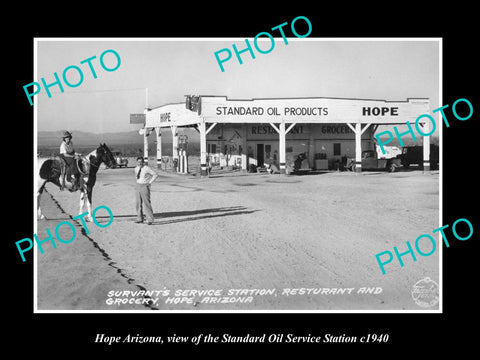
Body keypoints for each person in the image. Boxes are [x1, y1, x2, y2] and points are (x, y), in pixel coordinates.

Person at [134, 157, 158, 225]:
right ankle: (139, 218)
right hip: (138, 186)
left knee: (147, 203)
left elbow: (155, 175)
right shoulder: (136, 169)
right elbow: (136, 177)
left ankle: (150, 219)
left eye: (141, 161)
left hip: (144, 186)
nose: (140, 163)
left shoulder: (147, 168)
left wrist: (149, 182)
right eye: (138, 162)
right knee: (138, 203)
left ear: (143, 162)